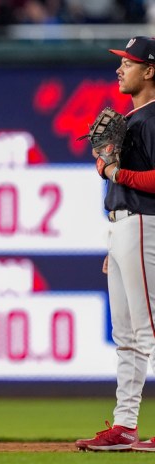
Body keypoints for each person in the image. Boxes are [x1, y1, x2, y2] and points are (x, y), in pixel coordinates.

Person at [75, 36, 155, 452]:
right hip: (125, 226)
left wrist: (113, 172)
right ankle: (125, 425)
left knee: (150, 331)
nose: (120, 69)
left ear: (151, 70)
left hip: (145, 225)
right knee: (125, 335)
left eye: (129, 62)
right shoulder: (137, 116)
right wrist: (116, 244)